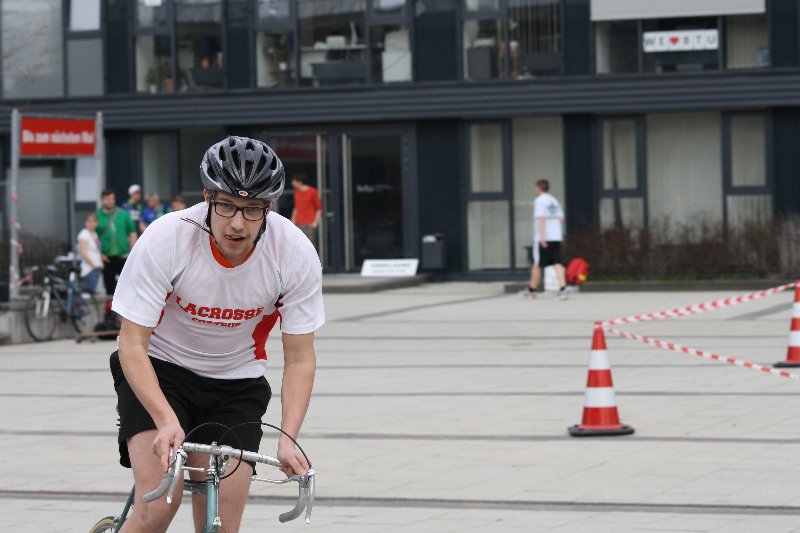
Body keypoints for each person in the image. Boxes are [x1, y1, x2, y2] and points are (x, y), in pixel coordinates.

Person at [109, 136, 324, 533]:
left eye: (253, 209)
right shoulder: (167, 238)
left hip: (235, 384)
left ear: (270, 207)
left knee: (220, 524)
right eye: (226, 205)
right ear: (207, 197)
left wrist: (289, 437)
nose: (238, 222)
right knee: (159, 507)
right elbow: (132, 342)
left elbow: (300, 358)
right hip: (160, 370)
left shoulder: (293, 252)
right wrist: (165, 418)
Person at [520, 180, 568, 300]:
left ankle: (531, 290)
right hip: (556, 236)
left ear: (538, 188)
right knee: (557, 263)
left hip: (544, 238)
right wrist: (554, 228)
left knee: (537, 264)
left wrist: (542, 238)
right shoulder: (554, 200)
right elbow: (561, 219)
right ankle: (563, 289)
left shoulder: (539, 201)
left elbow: (541, 219)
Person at [97, 189, 138, 296]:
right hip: (107, 258)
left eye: (112, 199)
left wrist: (132, 252)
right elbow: (93, 237)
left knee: (129, 285)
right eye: (107, 199)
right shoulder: (97, 216)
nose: (110, 201)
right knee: (110, 288)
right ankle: (110, 307)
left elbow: (132, 232)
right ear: (102, 200)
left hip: (123, 256)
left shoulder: (123, 214)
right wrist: (99, 254)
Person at [290, 174, 322, 251]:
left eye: (294, 181)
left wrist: (315, 222)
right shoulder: (296, 192)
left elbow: (319, 208)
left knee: (309, 246)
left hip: (309, 224)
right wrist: (292, 220)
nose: (292, 183)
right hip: (298, 223)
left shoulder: (312, 192)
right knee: (298, 246)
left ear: (299, 182)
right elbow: (296, 207)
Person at [77, 212, 103, 294]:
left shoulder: (94, 234)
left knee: (94, 292)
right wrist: (94, 265)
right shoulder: (84, 234)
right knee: (88, 293)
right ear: (85, 222)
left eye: (94, 221)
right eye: (89, 221)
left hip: (97, 267)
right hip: (89, 268)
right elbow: (84, 253)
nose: (92, 224)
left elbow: (97, 250)